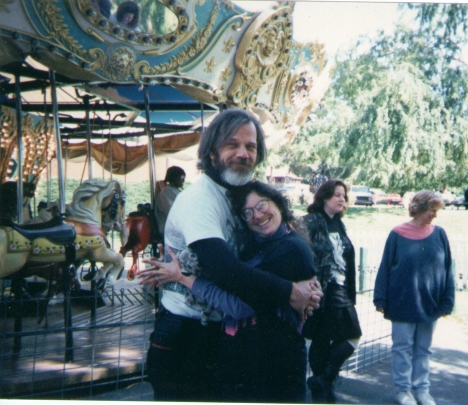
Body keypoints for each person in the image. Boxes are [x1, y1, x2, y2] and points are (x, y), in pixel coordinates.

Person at [136, 108, 322, 401]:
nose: (243, 153)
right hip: (187, 333)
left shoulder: (236, 196)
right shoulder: (200, 200)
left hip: (220, 332)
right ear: (212, 153)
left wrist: (308, 279)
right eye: (232, 145)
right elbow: (226, 271)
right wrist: (290, 292)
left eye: (250, 146)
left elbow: (271, 248)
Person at [374, 190, 455, 405]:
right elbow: (385, 267)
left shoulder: (440, 234)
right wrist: (380, 298)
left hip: (430, 302)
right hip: (402, 300)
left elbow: (448, 268)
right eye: (432, 210)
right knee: (402, 348)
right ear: (419, 208)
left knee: (423, 349)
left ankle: (422, 391)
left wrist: (448, 300)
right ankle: (403, 391)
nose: (434, 215)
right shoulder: (397, 234)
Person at [301, 179, 362, 404]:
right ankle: (322, 388)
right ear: (324, 197)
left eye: (343, 196)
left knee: (352, 336)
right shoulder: (311, 222)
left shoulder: (338, 223)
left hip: (341, 289)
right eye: (337, 195)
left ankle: (323, 381)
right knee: (321, 338)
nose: (341, 199)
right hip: (323, 289)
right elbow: (303, 252)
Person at [154, 166, 185, 240]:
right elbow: (173, 213)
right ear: (175, 178)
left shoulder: (176, 191)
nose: (183, 180)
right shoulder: (166, 192)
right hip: (170, 230)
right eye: (181, 177)